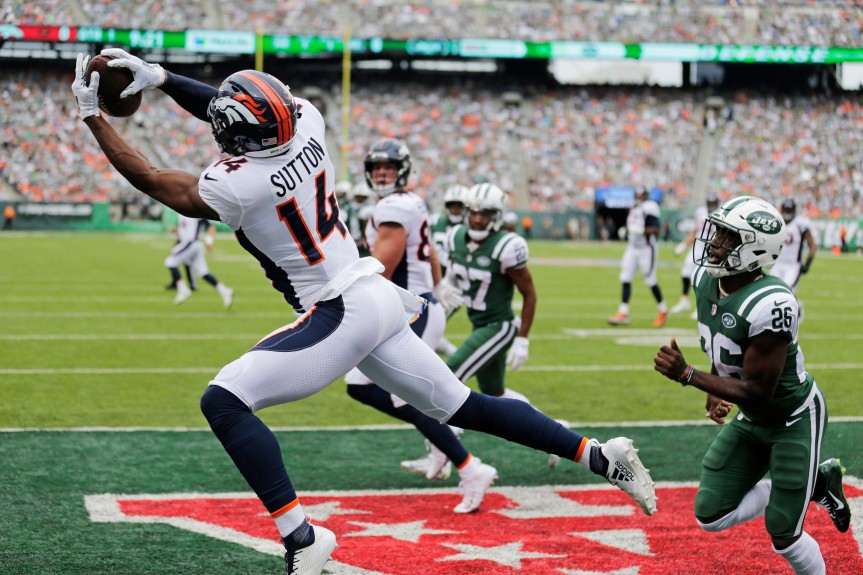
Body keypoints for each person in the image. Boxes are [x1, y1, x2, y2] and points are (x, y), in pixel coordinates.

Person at [73, 50, 656, 575]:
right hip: (374, 295)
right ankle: (601, 455)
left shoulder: (241, 185)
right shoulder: (309, 122)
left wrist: (93, 115)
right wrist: (162, 79)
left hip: (337, 309)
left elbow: (152, 178)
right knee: (463, 406)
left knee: (223, 401)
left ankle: (301, 537)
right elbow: (232, 111)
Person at [653, 196, 850, 575]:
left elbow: (761, 390)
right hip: (753, 415)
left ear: (755, 249)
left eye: (728, 237)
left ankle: (809, 485)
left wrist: (690, 376)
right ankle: (815, 484)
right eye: (718, 233)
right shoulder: (705, 279)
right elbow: (719, 342)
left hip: (792, 416)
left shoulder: (772, 303)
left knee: (784, 533)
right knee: (710, 513)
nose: (714, 242)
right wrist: (715, 385)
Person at [344, 139, 493, 513]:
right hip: (415, 304)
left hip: (412, 310)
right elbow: (430, 251)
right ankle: (443, 437)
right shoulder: (407, 203)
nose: (382, 173)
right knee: (359, 386)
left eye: (389, 168)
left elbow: (381, 268)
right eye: (377, 168)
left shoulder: (394, 206)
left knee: (407, 395)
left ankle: (469, 464)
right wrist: (439, 282)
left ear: (402, 171)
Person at [435, 182, 563, 468]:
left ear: (498, 216)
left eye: (486, 214)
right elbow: (456, 274)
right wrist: (445, 286)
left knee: (444, 379)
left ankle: (443, 454)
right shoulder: (456, 236)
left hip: (498, 326)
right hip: (479, 323)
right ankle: (556, 431)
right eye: (474, 212)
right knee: (496, 394)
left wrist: (523, 338)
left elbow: (529, 293)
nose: (478, 219)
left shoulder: (507, 245)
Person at [608, 187, 668, 328]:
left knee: (650, 280)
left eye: (642, 195)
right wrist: (628, 230)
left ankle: (663, 310)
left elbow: (656, 230)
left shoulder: (650, 207)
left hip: (646, 248)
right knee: (625, 277)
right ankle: (623, 313)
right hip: (632, 247)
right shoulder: (634, 206)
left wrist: (639, 230)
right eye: (638, 195)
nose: (639, 197)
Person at [429, 183, 469, 357]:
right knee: (425, 325)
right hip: (431, 281)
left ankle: (454, 354)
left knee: (429, 325)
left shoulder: (470, 228)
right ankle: (453, 353)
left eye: (459, 206)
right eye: (452, 205)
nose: (454, 210)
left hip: (454, 286)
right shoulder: (436, 222)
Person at [164, 214, 234, 308]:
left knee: (170, 262)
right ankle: (224, 291)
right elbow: (186, 229)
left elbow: (210, 227)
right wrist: (177, 230)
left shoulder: (193, 210)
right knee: (203, 273)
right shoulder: (180, 211)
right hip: (192, 245)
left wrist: (209, 242)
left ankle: (183, 289)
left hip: (192, 244)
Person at [670, 194, 719, 319]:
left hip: (711, 249)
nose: (711, 206)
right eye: (710, 203)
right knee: (686, 273)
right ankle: (684, 301)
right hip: (697, 246)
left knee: (703, 280)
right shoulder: (701, 212)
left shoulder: (720, 214)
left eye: (713, 204)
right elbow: (695, 230)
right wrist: (683, 245)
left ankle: (703, 307)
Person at [771, 198, 817, 322]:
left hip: (793, 265)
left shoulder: (801, 224)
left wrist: (807, 264)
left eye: (789, 210)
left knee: (787, 290)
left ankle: (795, 309)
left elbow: (812, 245)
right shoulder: (776, 221)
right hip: (777, 264)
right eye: (786, 210)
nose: (787, 212)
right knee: (774, 292)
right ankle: (779, 317)